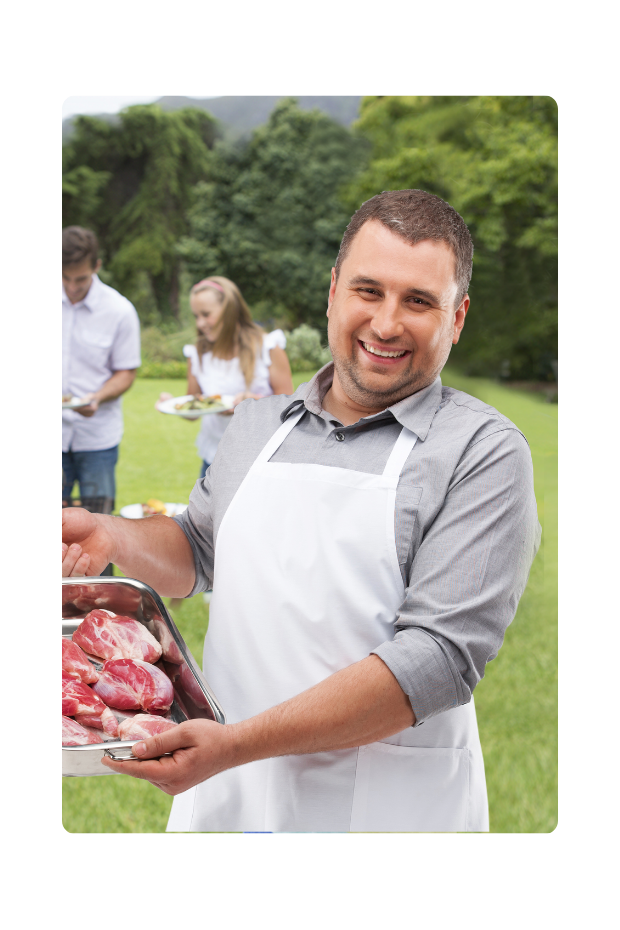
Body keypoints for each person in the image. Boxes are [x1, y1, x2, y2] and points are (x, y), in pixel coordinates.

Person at [62, 190, 541, 834]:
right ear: (334, 293)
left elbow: (437, 659)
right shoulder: (259, 423)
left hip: (386, 808)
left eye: (419, 301)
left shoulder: (482, 453)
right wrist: (109, 531)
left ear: (456, 318)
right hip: (227, 797)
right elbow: (199, 552)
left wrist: (235, 745)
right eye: (368, 290)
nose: (387, 323)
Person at [156, 276, 293, 479]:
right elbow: (193, 407)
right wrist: (172, 405)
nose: (200, 323)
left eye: (206, 314)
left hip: (261, 460)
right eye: (196, 316)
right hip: (214, 459)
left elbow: (291, 408)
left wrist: (254, 401)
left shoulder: (267, 347)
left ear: (229, 310)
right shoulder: (198, 354)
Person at [62, 227, 141, 532]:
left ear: (96, 266)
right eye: (65, 278)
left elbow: (126, 372)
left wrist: (96, 397)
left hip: (97, 439)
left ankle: (101, 582)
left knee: (98, 529)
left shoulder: (119, 310)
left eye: (80, 279)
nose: (71, 287)